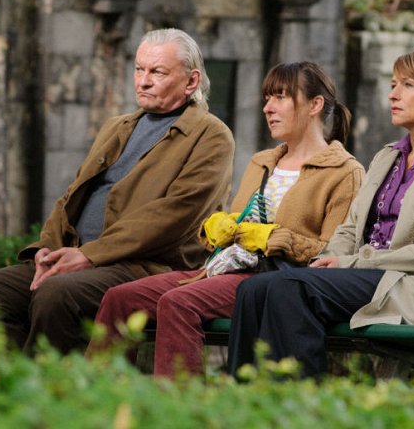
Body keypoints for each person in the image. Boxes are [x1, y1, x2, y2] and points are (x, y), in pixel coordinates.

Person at [0, 28, 235, 354]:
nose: (143, 81)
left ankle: (54, 391)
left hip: (140, 267)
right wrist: (47, 250)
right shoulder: (118, 126)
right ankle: (17, 385)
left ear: (191, 81)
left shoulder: (211, 135)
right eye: (139, 69)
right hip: (76, 258)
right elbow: (70, 196)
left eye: (157, 71)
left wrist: (90, 255)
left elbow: (176, 215)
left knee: (58, 294)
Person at [86, 61, 365, 377]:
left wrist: (275, 239)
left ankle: (179, 410)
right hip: (223, 268)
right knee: (121, 298)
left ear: (315, 105)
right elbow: (239, 222)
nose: (268, 108)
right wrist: (219, 227)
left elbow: (332, 256)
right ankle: (99, 401)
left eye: (280, 97)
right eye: (266, 98)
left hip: (272, 281)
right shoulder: (262, 161)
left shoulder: (345, 172)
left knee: (179, 303)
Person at [226, 49, 414, 379]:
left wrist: (355, 262)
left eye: (407, 85)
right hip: (364, 277)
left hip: (412, 286)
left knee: (289, 287)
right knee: (254, 289)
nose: (393, 94)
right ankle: (243, 402)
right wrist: (330, 259)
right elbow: (350, 228)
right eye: (393, 84)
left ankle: (295, 402)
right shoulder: (387, 157)